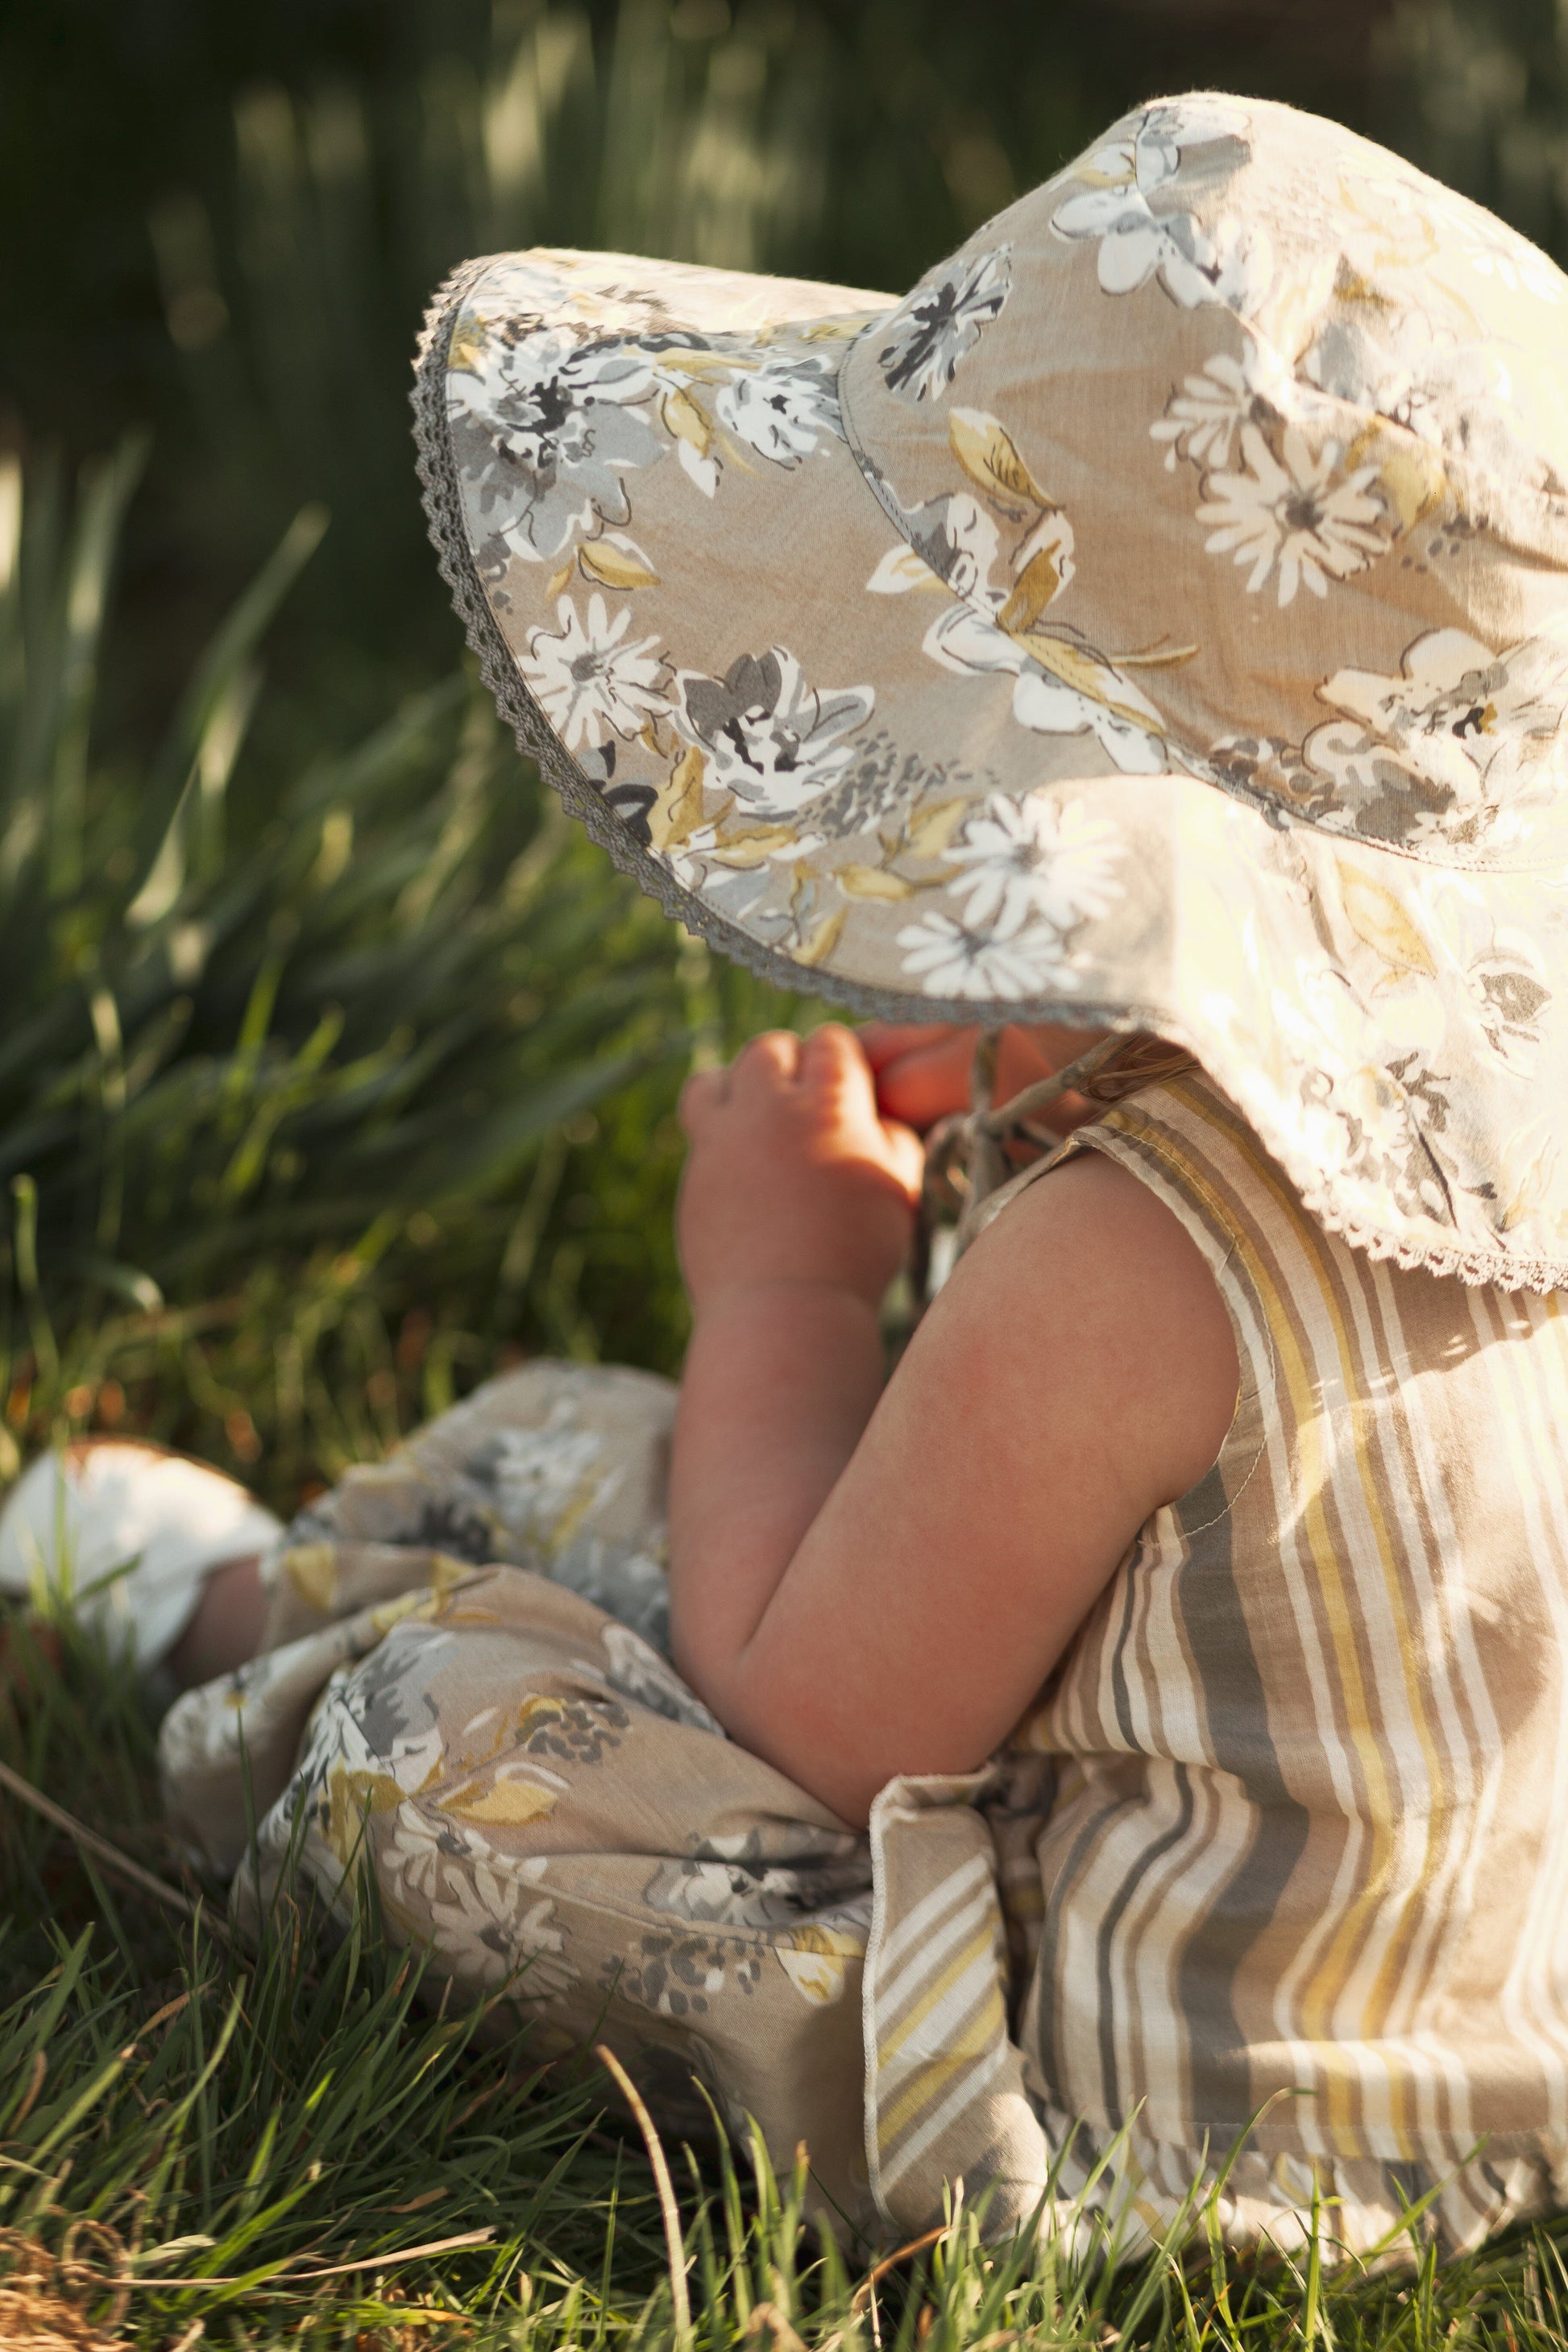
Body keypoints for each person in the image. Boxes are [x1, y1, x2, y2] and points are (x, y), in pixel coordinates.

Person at [9, 88, 1568, 2263]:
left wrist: (788, 1289)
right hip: (1483, 2037)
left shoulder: (1134, 1255)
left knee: (479, 1751)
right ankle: (273, 1579)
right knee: (620, 1457)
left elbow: (793, 1735)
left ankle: (218, 1623)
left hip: (1147, 2120)